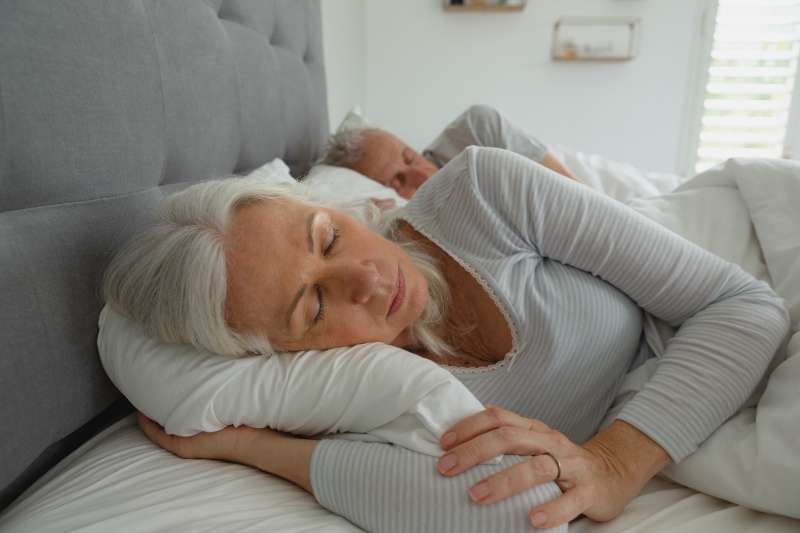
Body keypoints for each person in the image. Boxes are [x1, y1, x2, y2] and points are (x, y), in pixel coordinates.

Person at [104, 147, 789, 532]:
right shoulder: (355, 397)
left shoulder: (482, 191)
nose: (368, 279)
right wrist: (245, 444)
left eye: (329, 237)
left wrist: (614, 459)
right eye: (312, 304)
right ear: (282, 355)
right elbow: (512, 511)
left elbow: (745, 307)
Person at [318, 104, 581, 199]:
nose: (422, 175)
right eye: (397, 183)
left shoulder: (476, 130)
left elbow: (577, 194)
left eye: (409, 156)